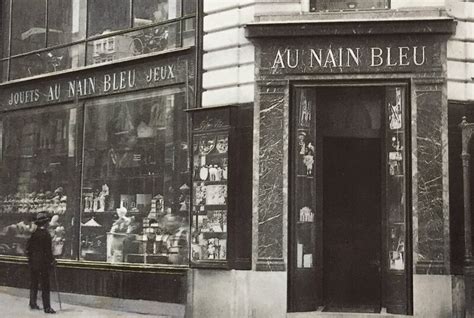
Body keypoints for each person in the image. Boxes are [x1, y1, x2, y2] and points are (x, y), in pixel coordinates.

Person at [25, 212, 56, 314]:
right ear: (45, 223)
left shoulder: (34, 234)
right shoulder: (46, 235)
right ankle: (47, 307)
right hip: (43, 264)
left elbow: (28, 249)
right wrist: (52, 261)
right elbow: (48, 251)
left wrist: (31, 260)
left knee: (34, 283)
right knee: (45, 285)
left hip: (34, 263)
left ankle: (32, 303)